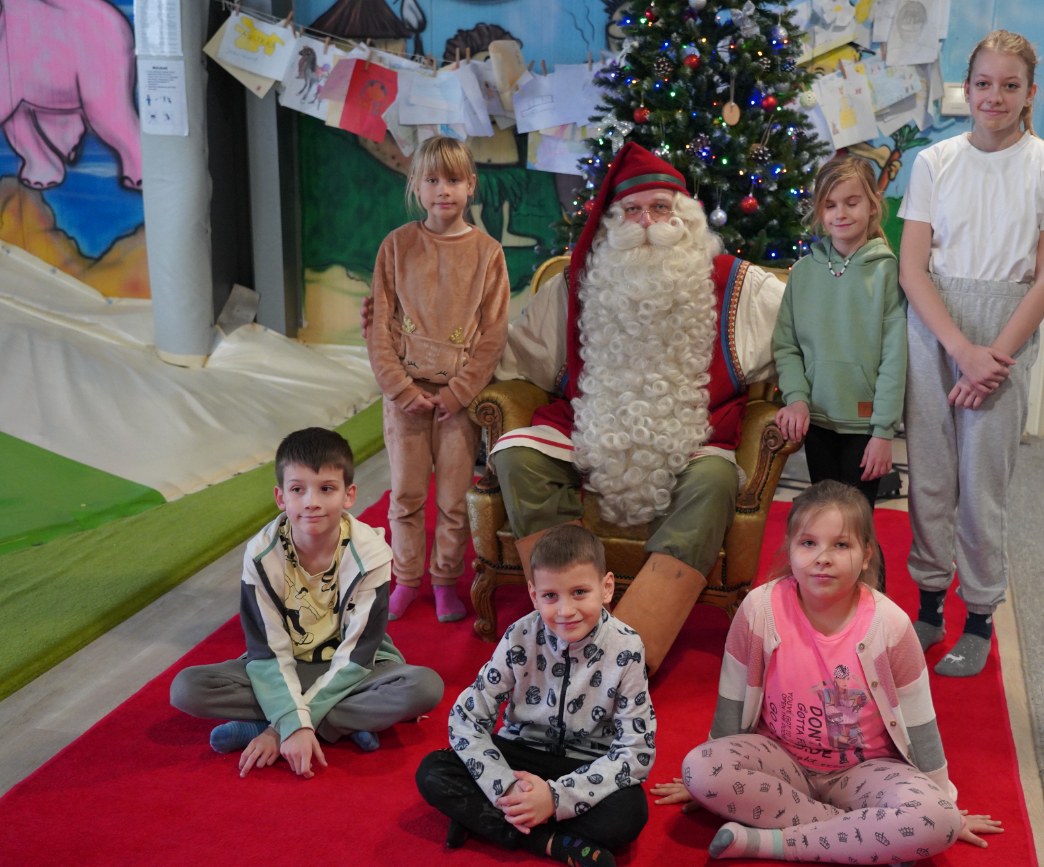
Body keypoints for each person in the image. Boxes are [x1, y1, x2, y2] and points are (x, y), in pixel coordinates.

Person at [491, 142, 786, 673]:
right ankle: (566, 611)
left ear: (686, 219)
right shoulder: (580, 284)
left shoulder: (737, 286)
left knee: (716, 481)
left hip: (695, 438)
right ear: (612, 223)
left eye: (660, 209)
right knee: (515, 456)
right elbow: (519, 353)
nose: (647, 223)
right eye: (633, 210)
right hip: (591, 432)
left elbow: (796, 337)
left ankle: (629, 656)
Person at [651, 481, 1002, 863]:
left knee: (939, 820)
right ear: (789, 549)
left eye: (841, 545)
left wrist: (943, 798)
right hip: (780, 760)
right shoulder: (760, 608)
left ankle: (768, 844)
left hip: (865, 771)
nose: (823, 557)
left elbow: (920, 722)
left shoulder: (891, 625)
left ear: (866, 555)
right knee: (699, 769)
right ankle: (863, 833)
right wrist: (710, 772)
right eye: (808, 543)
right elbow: (733, 696)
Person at [898, 30, 1044, 676]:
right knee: (929, 474)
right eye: (984, 83)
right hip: (935, 326)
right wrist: (958, 348)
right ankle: (928, 605)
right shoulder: (935, 162)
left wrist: (993, 357)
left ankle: (978, 612)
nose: (995, 96)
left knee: (984, 481)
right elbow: (912, 269)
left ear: (1030, 93)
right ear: (967, 88)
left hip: (1003, 330)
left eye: (1010, 85)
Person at [170, 428, 444, 776]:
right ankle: (343, 723)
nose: (311, 501)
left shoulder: (372, 554)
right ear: (281, 497)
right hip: (286, 666)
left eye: (326, 488)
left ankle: (270, 728)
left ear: (349, 495)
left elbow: (359, 656)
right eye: (298, 489)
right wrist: (295, 719)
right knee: (187, 689)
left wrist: (285, 725)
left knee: (423, 687)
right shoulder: (260, 555)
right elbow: (266, 653)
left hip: (354, 668)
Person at [415, 524, 653, 867]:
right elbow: (467, 716)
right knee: (433, 772)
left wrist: (556, 798)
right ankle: (550, 842)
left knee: (629, 814)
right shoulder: (519, 636)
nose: (564, 611)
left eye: (580, 592)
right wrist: (504, 786)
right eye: (550, 596)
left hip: (585, 763)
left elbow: (636, 750)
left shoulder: (627, 647)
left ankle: (484, 820)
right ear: (533, 594)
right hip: (519, 755)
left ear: (606, 588)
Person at [366, 135, 511, 623]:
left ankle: (446, 580)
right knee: (406, 495)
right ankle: (406, 578)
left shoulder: (489, 254)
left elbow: (492, 334)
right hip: (405, 398)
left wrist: (458, 392)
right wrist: (402, 390)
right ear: (416, 186)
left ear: (470, 186)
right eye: (432, 180)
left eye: (453, 180)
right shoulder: (397, 247)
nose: (442, 190)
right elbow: (380, 327)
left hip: (457, 402)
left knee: (453, 498)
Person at [772, 155, 906, 509]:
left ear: (873, 206)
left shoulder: (887, 273)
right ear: (819, 211)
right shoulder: (802, 273)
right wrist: (796, 398)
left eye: (852, 202)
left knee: (857, 527)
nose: (840, 213)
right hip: (816, 421)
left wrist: (883, 431)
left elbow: (895, 357)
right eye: (830, 205)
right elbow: (786, 346)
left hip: (865, 426)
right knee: (826, 519)